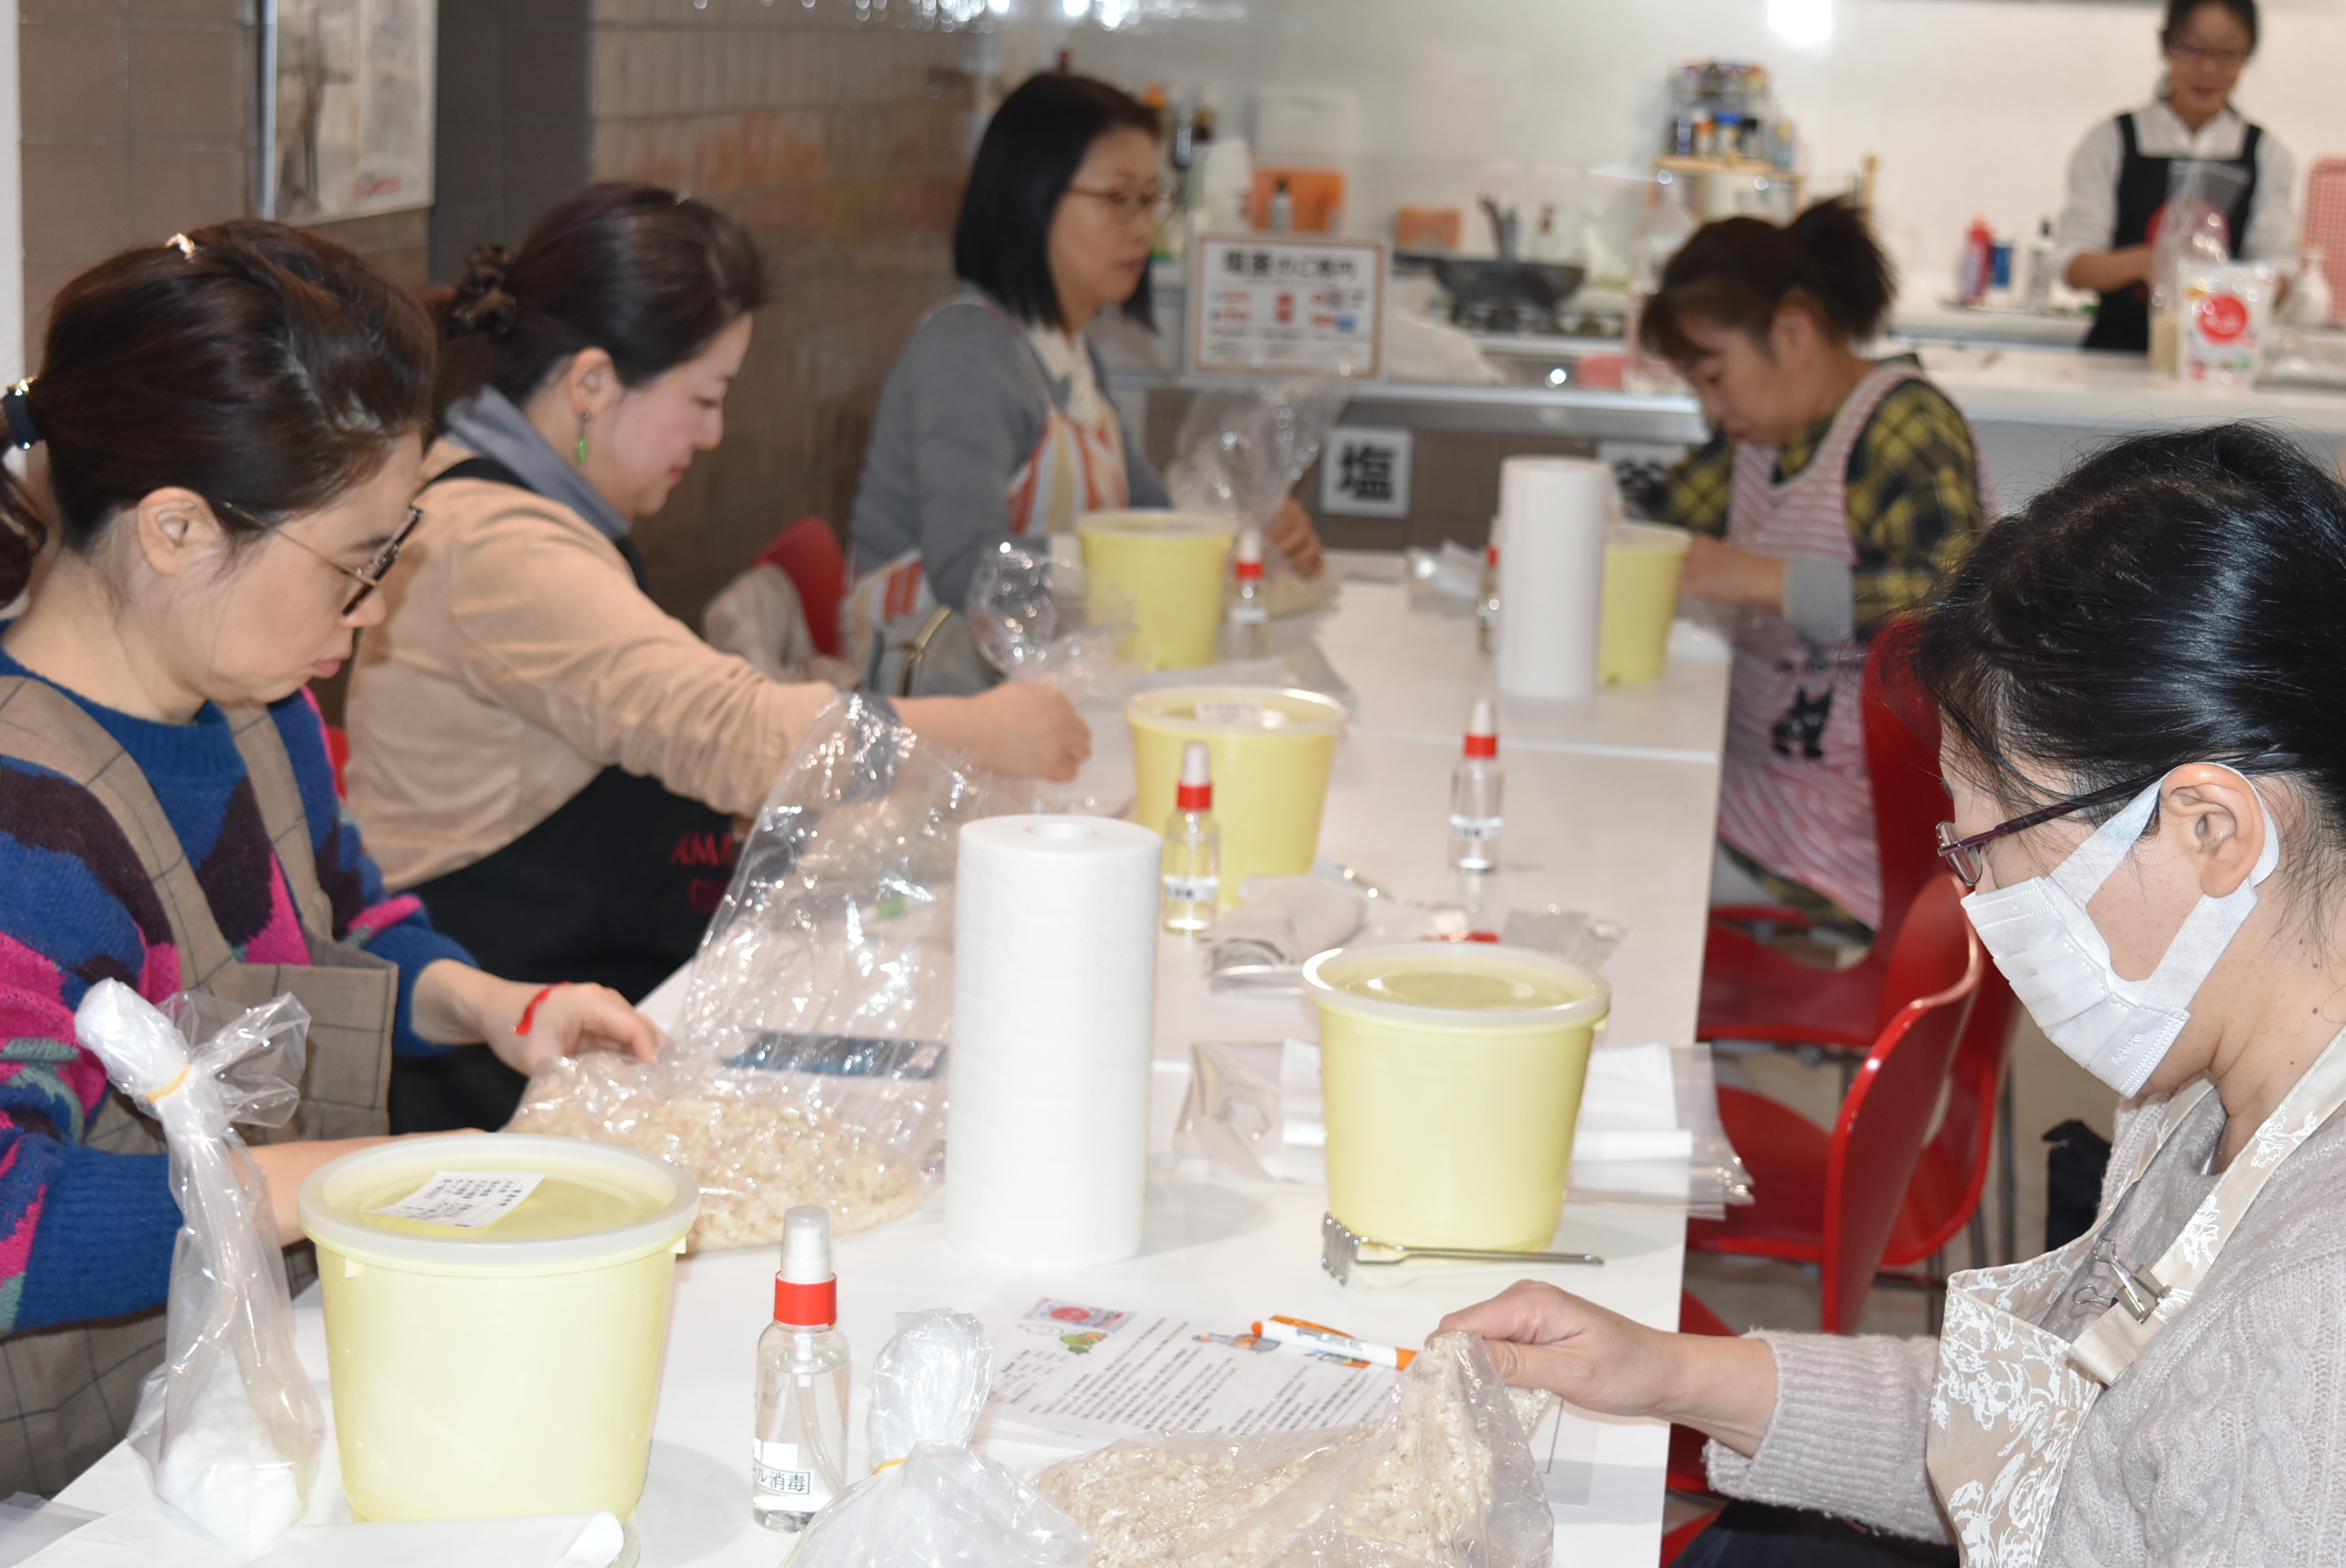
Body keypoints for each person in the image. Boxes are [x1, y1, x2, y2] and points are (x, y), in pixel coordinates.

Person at [1446, 423, 2346, 1566]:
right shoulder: (2209, 1086)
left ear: (2210, 829)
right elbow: (2051, 1434)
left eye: (1993, 849)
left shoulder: (2310, 1324)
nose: (1981, 900)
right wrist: (1667, 1371)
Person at [0, 222, 660, 1494]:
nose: (374, 610)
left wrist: (489, 1004)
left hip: (263, 1395)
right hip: (85, 1483)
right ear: (177, 529)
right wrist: (323, 1183)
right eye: (355, 567)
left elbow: (340, 917)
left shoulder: (257, 707)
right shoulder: (28, 824)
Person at [347, 185, 1090, 1132]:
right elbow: (731, 733)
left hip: (580, 980)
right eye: (704, 398)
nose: (714, 434)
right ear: (590, 384)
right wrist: (981, 727)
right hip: (498, 1034)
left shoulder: (537, 510)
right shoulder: (498, 545)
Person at [845, 71, 1325, 684]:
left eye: (1151, 199)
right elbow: (966, 567)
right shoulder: (965, 353)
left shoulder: (1071, 356)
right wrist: (1116, 557)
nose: (1142, 226)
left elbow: (1152, 514)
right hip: (922, 699)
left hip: (1031, 681)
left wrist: (1243, 532)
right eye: (1118, 198)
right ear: (1030, 197)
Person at [1636, 198, 1983, 942]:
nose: (1711, 408)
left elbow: (1957, 601)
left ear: (1792, 332)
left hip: (1848, 839)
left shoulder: (1902, 423)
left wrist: (1765, 580)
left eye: (1714, 377)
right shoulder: (1766, 437)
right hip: (1762, 791)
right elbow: (1655, 524)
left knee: (1625, 859)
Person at [2057, 0, 2296, 354]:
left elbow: (2279, 273)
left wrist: (2213, 282)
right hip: (2117, 356)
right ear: (2165, 46)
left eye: (2228, 53)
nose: (2209, 68)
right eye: (2192, 48)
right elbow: (2075, 265)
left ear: (2248, 55)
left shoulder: (2265, 154)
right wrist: (2147, 262)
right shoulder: (2112, 141)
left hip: (2220, 361)